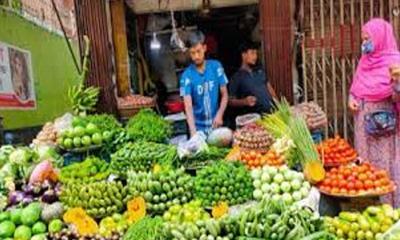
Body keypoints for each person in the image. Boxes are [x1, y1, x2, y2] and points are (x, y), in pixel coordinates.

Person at [349, 18, 400, 207]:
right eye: (363, 40)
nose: (364, 44)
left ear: (380, 38)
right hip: (364, 128)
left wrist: (397, 84)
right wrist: (351, 100)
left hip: (383, 128)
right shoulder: (364, 62)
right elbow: (355, 88)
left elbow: (397, 97)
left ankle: (388, 206)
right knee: (366, 166)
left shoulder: (395, 62)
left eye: (367, 39)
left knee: (384, 166)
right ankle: (368, 206)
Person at [180, 31, 229, 137]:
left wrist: (220, 115)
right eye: (193, 53)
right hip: (198, 129)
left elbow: (225, 94)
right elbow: (188, 106)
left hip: (216, 125)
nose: (196, 56)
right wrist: (193, 132)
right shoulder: (186, 76)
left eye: (198, 51)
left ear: (205, 48)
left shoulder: (216, 67)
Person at [228, 42, 277, 117]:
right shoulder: (236, 77)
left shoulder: (260, 70)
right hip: (256, 119)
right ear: (243, 55)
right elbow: (230, 101)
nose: (255, 56)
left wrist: (279, 105)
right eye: (252, 53)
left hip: (273, 114)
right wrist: (244, 102)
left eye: (256, 53)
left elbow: (270, 88)